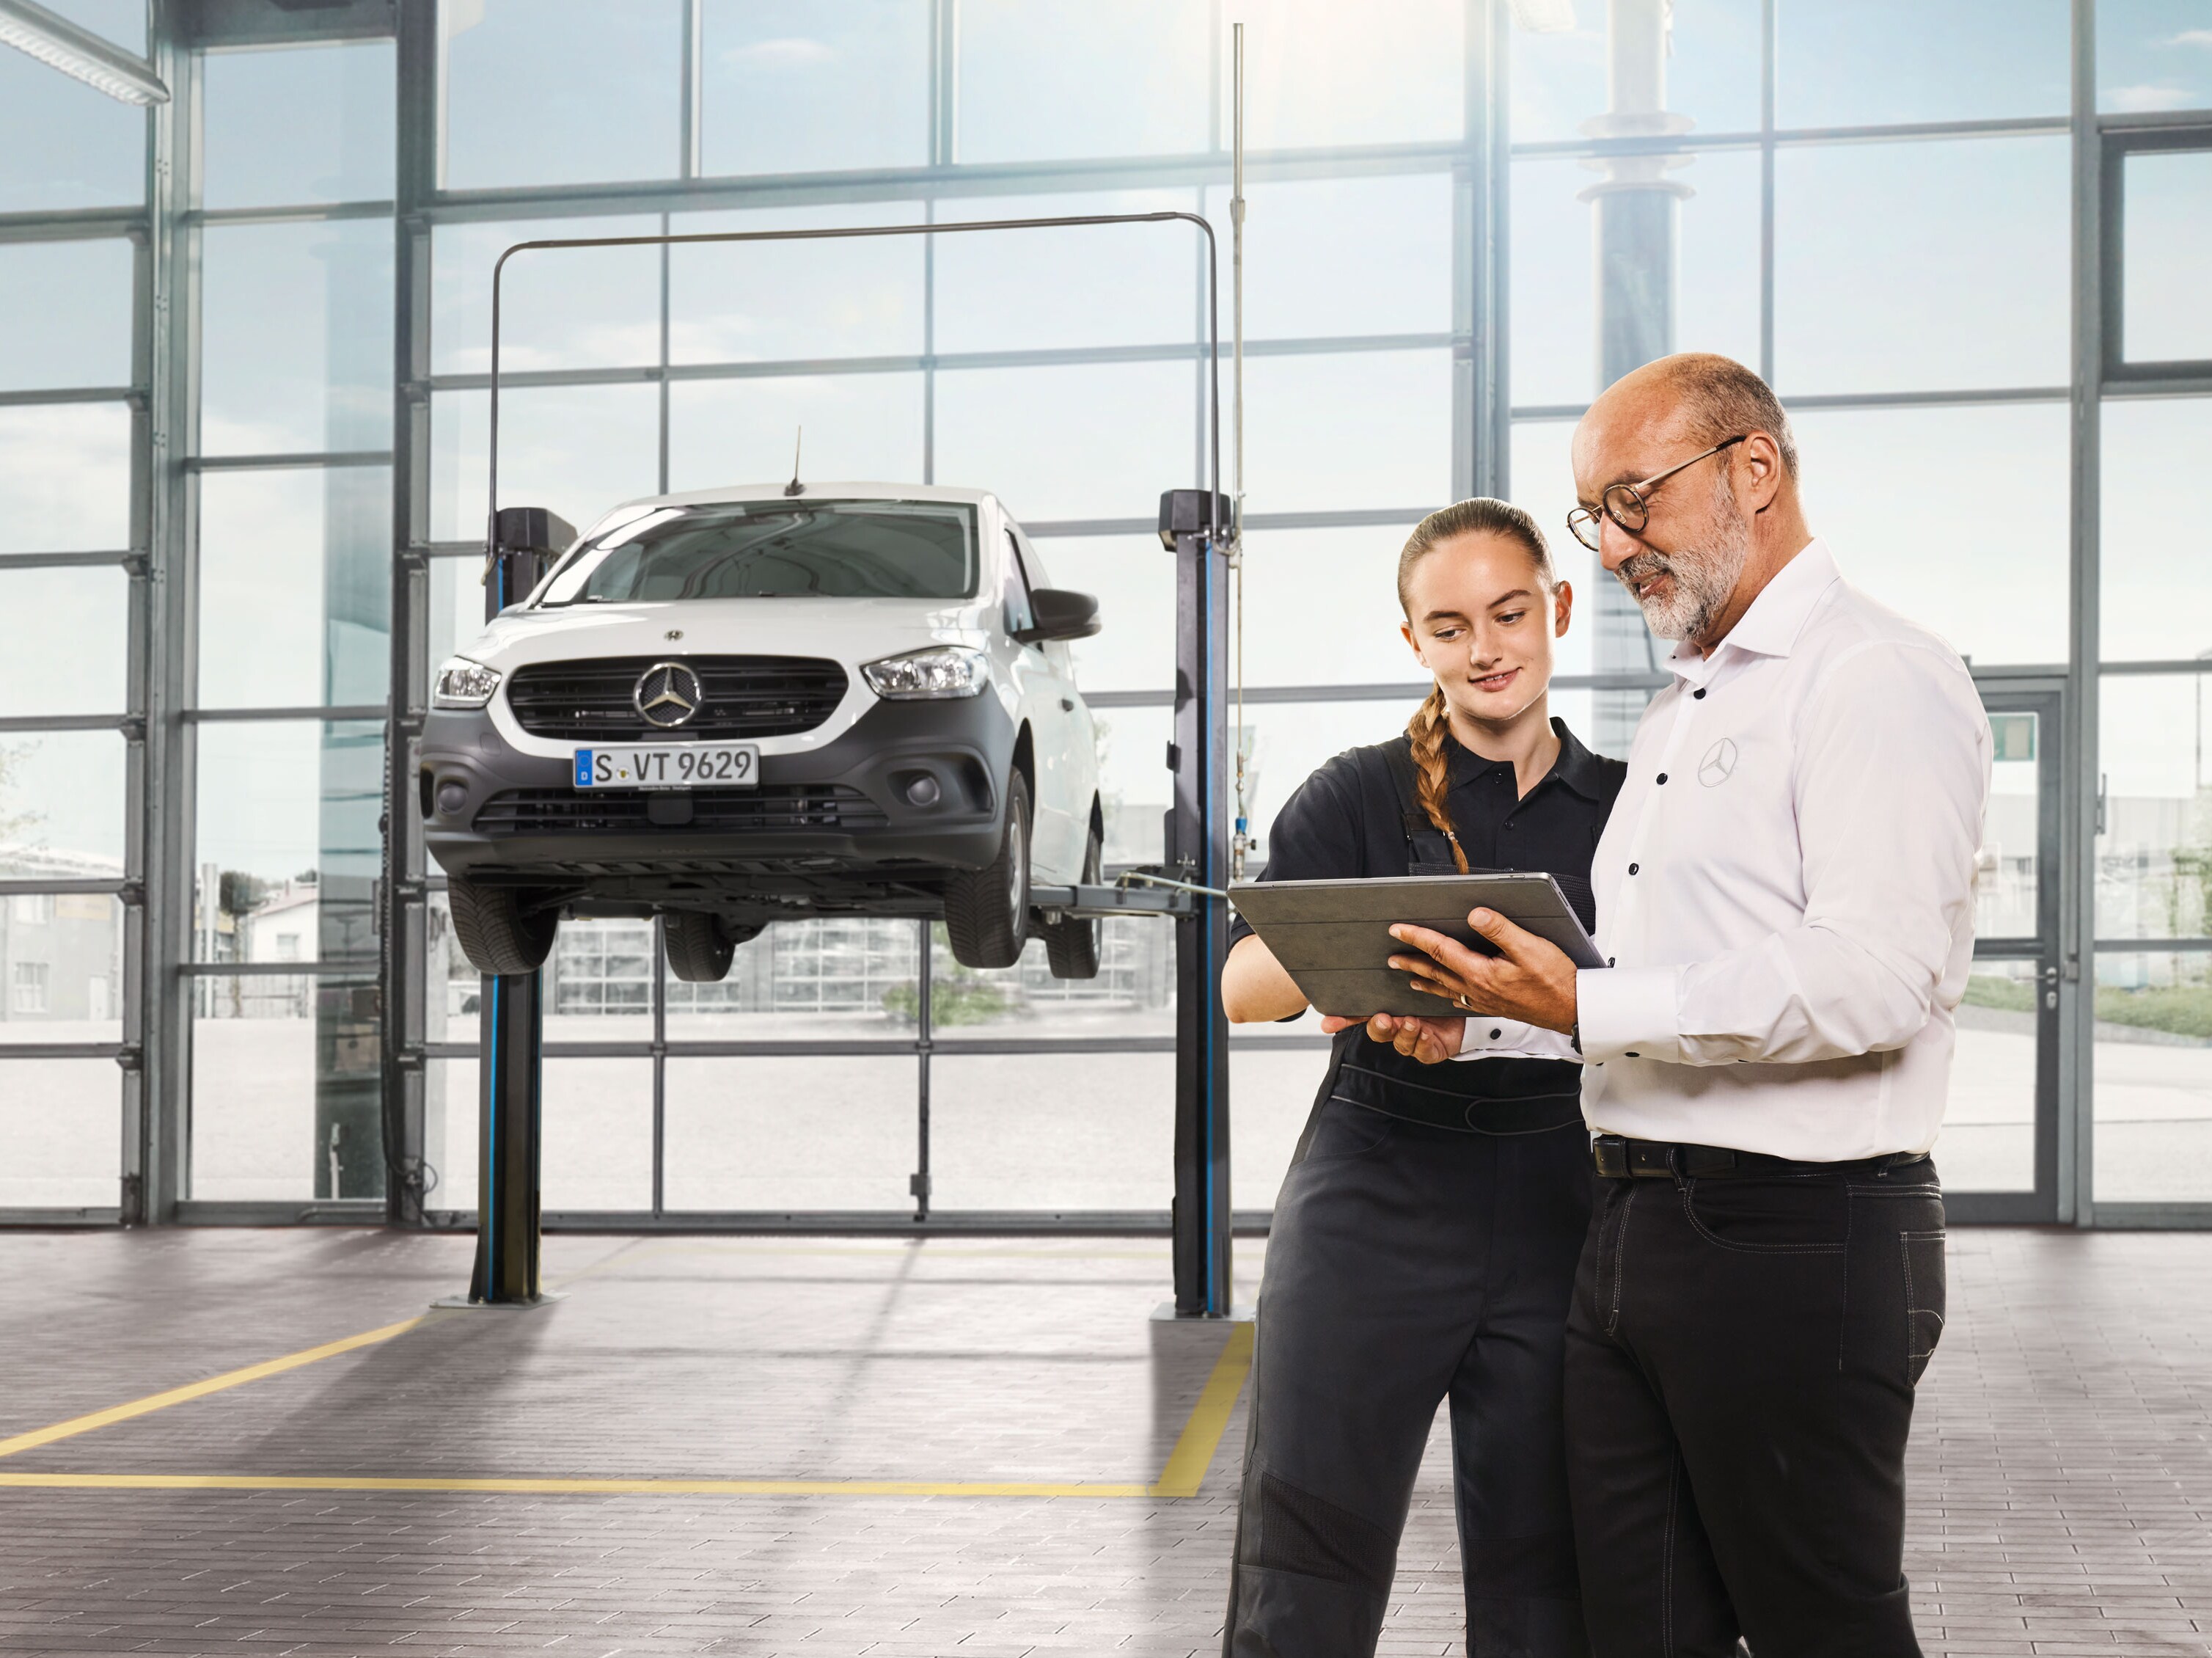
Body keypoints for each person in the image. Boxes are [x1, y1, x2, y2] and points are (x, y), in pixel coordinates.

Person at [1381, 353, 1992, 1657]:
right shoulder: (1686, 706)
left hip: (1796, 1237)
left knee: (1821, 1625)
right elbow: (1640, 985)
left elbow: (1874, 977)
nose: (1610, 548)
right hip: (1633, 1224)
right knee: (1641, 1630)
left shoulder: (1871, 676)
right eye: (1595, 516)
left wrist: (1586, 1007)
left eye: (1632, 501)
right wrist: (1491, 1011)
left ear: (1754, 471)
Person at [1218, 497, 1625, 1658]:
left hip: (1562, 1192)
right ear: (1415, 645)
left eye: (1508, 614)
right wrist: (1345, 977)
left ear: (1555, 612)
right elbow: (1243, 983)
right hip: (1372, 1186)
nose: (1486, 647)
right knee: (1308, 1551)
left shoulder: (1629, 809)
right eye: (1451, 628)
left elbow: (1665, 1003)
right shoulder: (1356, 792)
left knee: (1548, 1568)